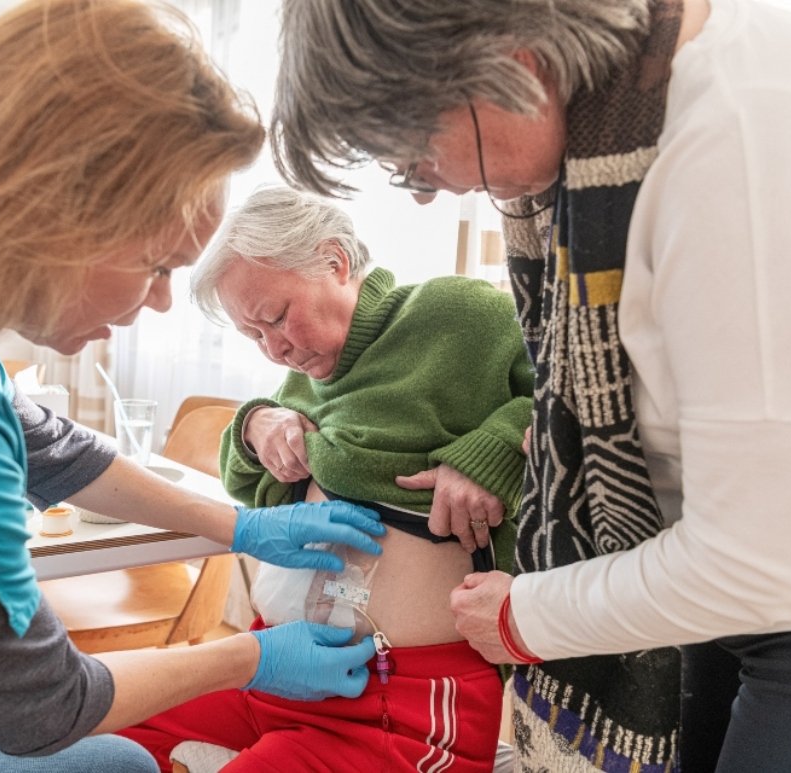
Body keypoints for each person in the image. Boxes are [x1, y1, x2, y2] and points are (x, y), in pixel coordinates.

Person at [0, 2, 391, 772]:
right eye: (157, 267)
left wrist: (237, 527)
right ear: (56, 215)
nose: (157, 303)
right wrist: (249, 657)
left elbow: (49, 447)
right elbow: (45, 708)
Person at [269, 0, 791, 771]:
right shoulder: (621, 139)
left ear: (509, 63)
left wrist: (526, 616)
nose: (424, 192)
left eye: (413, 157)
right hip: (738, 589)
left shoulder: (739, 152)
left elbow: (757, 563)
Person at [116, 186, 534, 773]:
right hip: (273, 664)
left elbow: (568, 396)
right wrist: (255, 425)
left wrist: (492, 454)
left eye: (277, 318)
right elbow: (247, 487)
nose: (275, 350)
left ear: (334, 261)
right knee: (108, 728)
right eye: (253, 336)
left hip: (395, 701)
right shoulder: (304, 378)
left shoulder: (455, 315)